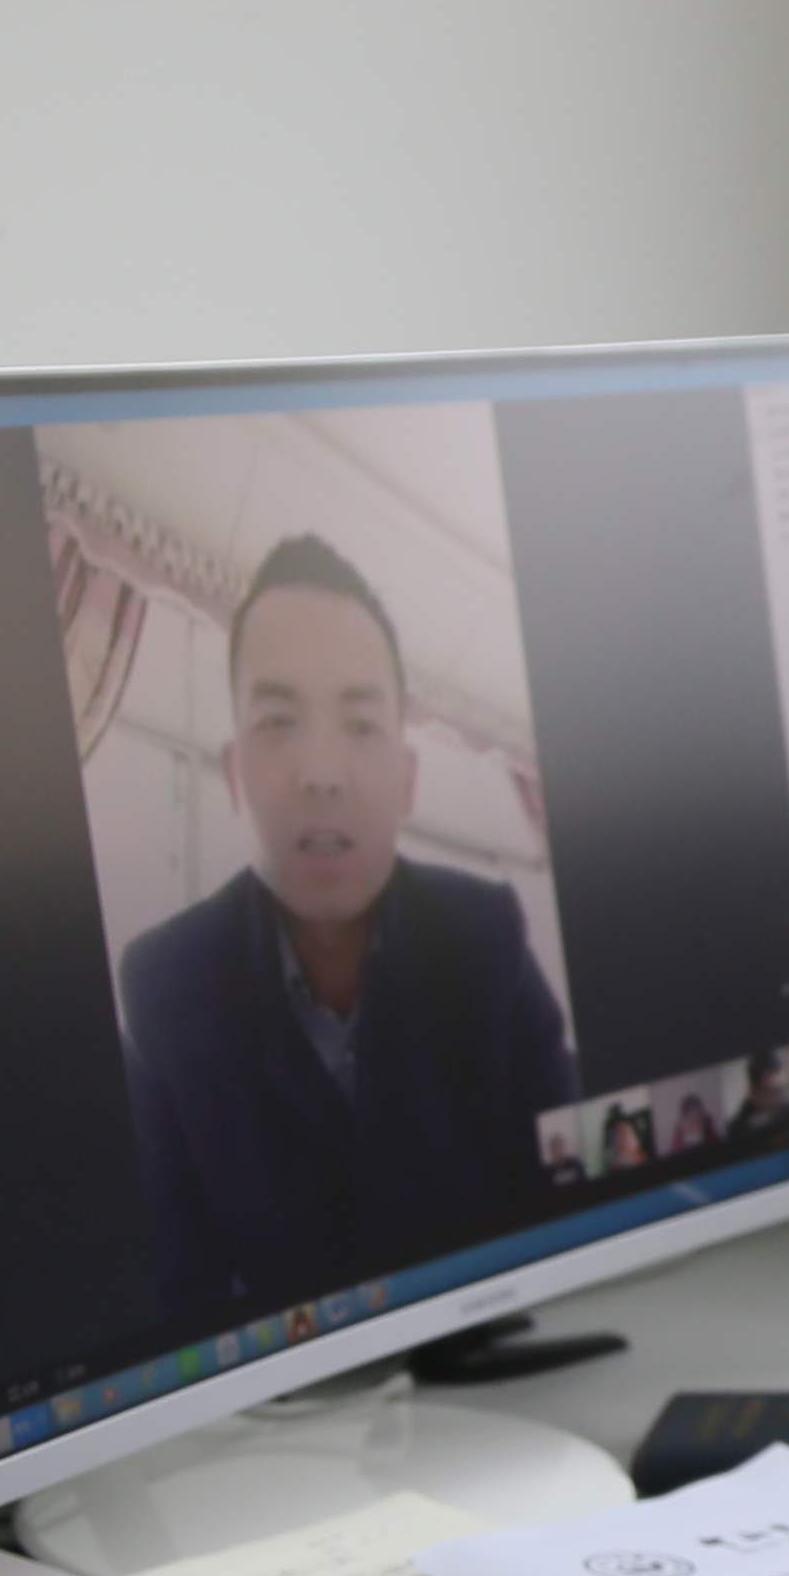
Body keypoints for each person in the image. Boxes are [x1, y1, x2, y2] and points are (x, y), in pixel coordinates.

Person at [118, 533, 577, 1328]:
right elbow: (172, 1291)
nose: (322, 774)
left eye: (361, 726)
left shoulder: (486, 938)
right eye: (278, 721)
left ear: (406, 779)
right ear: (234, 773)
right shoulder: (166, 985)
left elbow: (567, 1199)